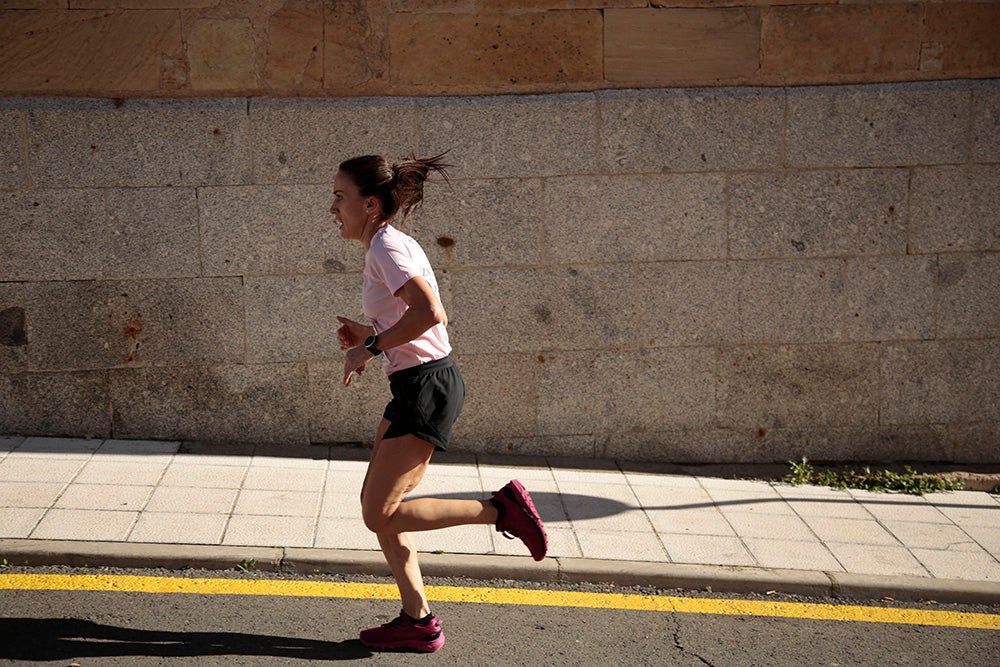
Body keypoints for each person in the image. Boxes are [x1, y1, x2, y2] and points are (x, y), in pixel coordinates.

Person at [331, 153, 548, 653]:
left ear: (368, 203)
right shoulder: (386, 245)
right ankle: (417, 620)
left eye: (339, 196)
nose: (332, 207)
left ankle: (500, 510)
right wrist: (370, 334)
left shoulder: (386, 247)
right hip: (415, 383)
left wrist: (368, 347)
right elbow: (410, 323)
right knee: (380, 510)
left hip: (428, 387)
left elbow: (432, 313)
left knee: (378, 513)